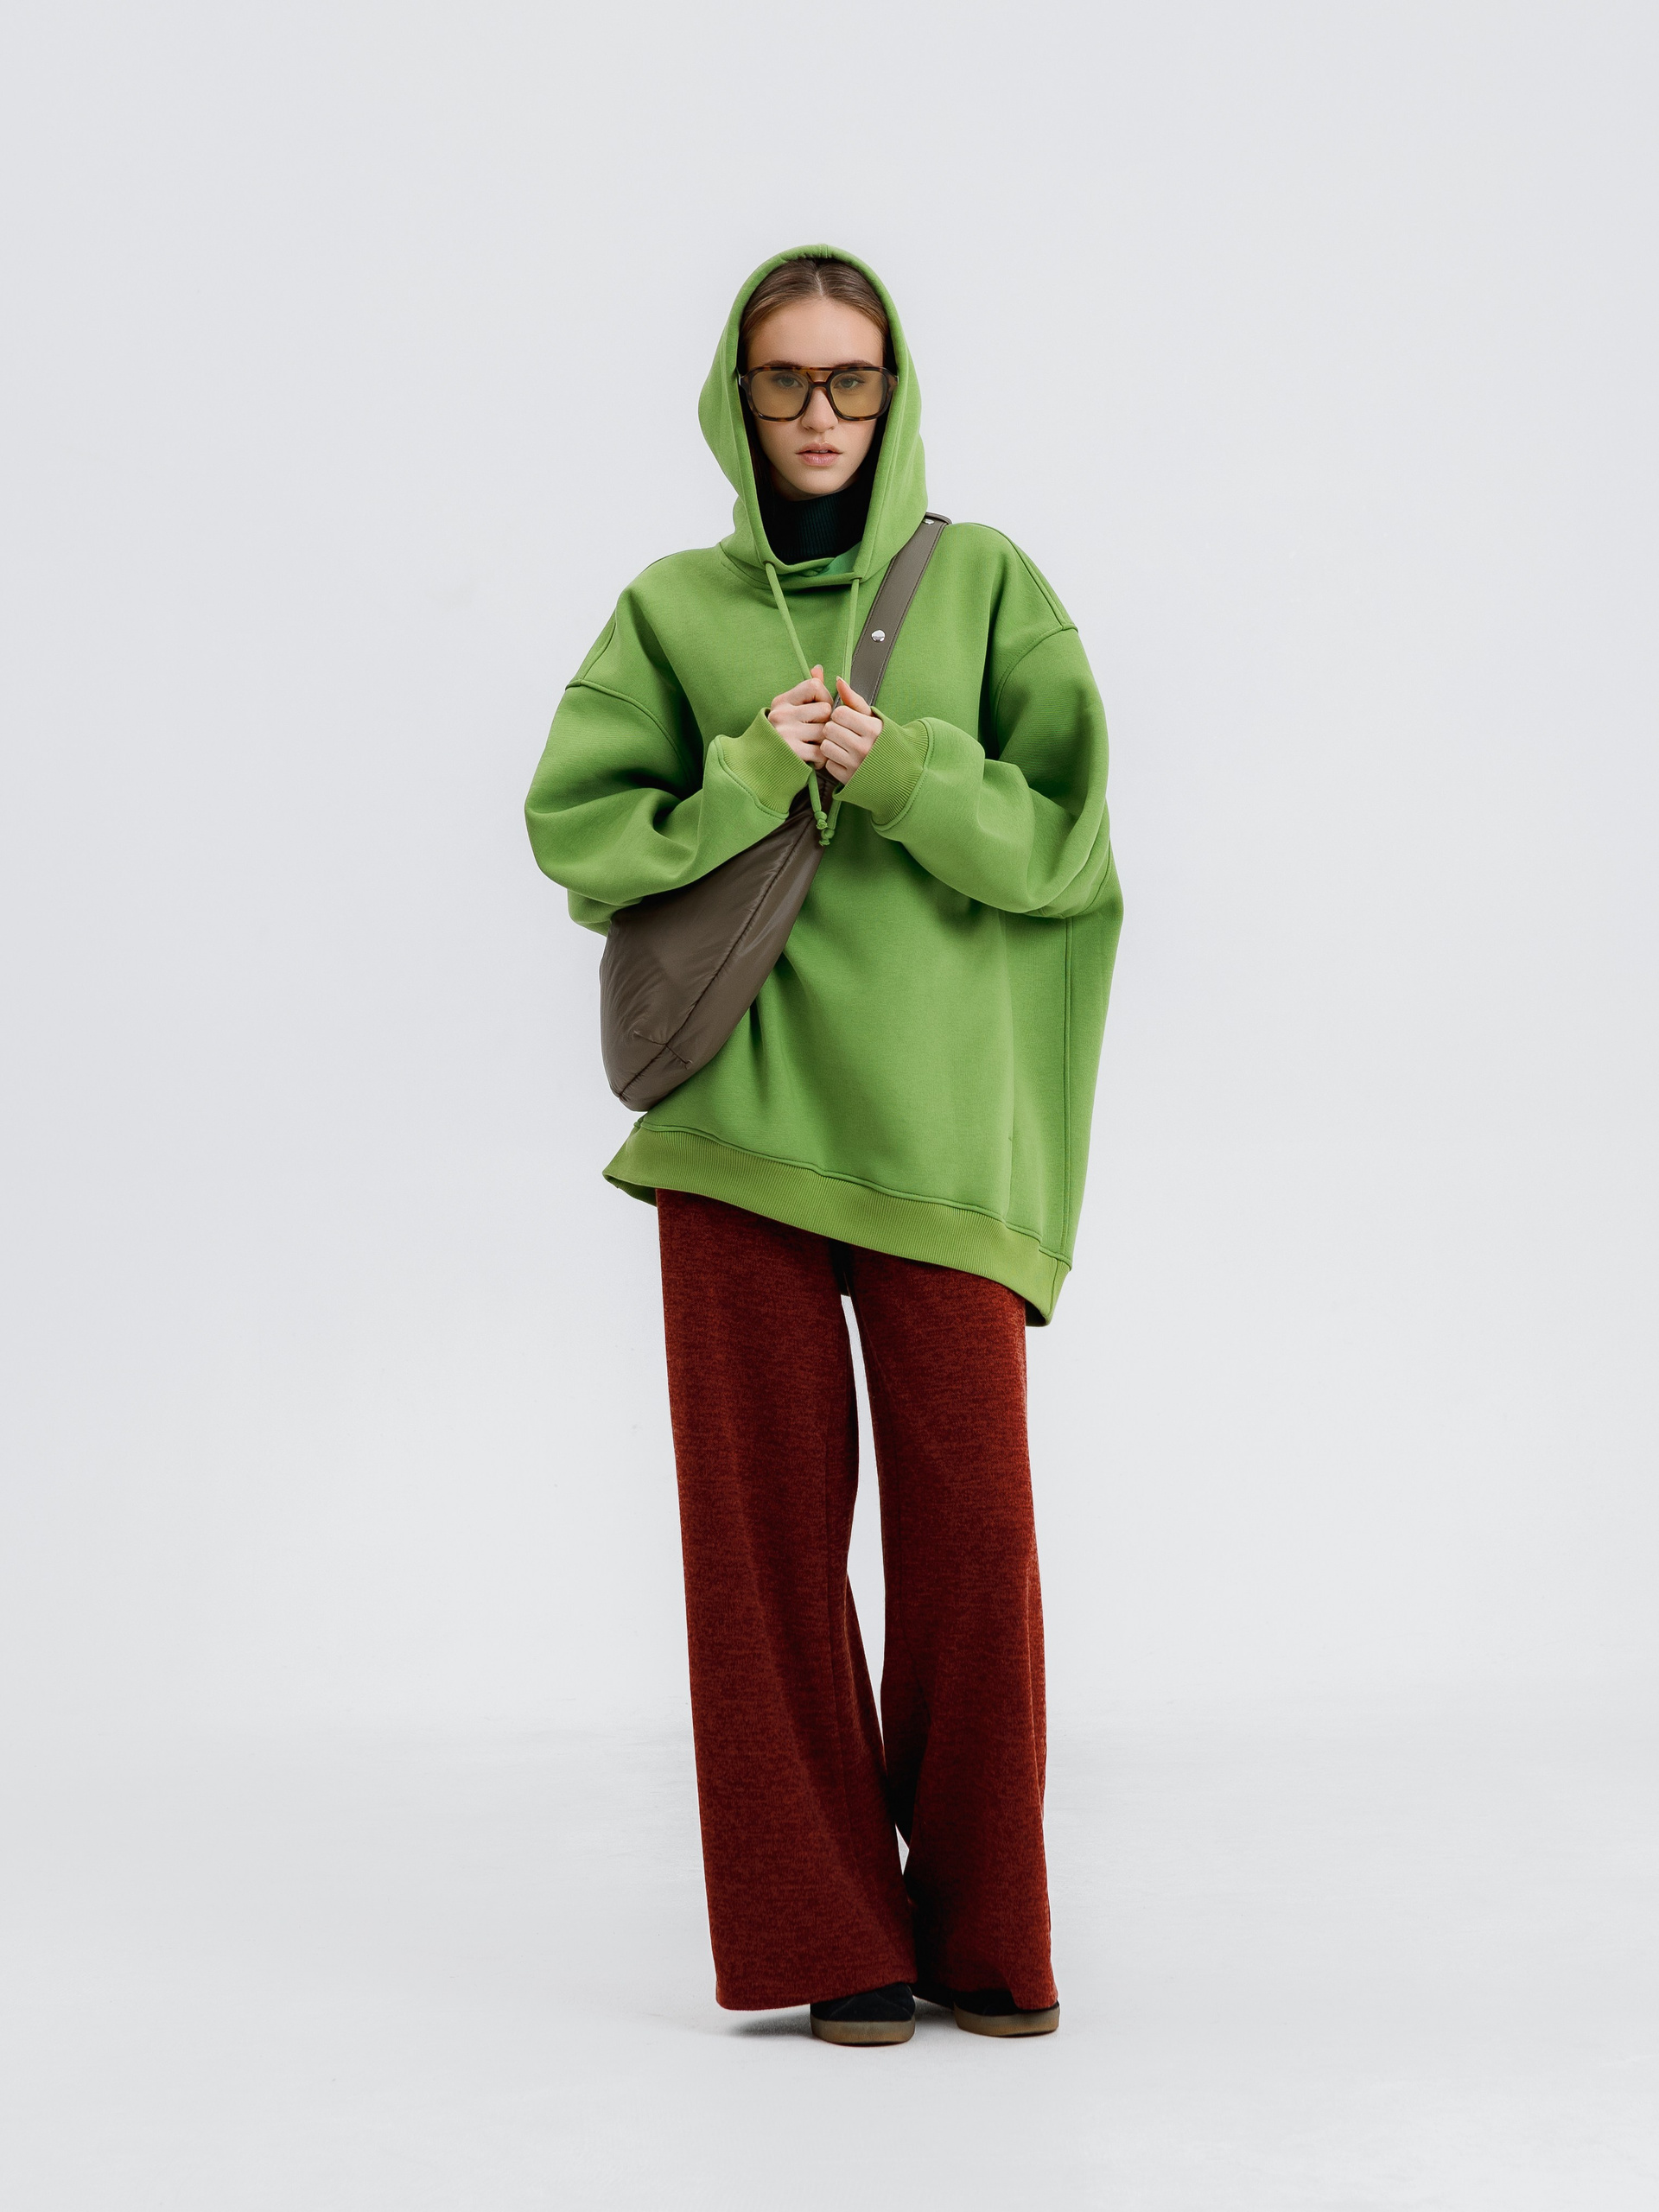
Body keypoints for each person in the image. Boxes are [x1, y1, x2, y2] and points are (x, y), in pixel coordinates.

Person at [525, 247, 1122, 2047]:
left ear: (895, 390)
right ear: (737, 394)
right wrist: (745, 771)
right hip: (733, 1135)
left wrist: (906, 769)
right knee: (763, 1551)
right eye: (784, 379)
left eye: (851, 378)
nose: (818, 414)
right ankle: (832, 1941)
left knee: (973, 1545)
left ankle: (989, 1935)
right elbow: (580, 834)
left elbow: (1066, 847)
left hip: (941, 1143)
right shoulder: (671, 609)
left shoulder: (990, 584)